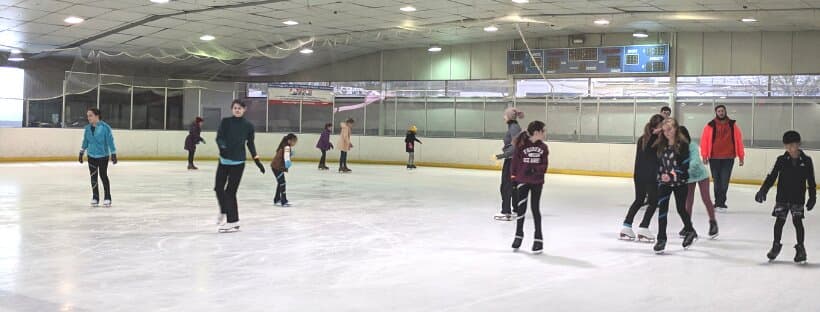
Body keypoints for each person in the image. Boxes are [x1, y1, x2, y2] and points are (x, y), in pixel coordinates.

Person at [755, 131, 815, 264]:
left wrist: (812, 197)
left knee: (797, 222)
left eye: (793, 145)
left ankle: (801, 248)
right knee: (779, 221)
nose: (790, 148)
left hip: (798, 197)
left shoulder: (806, 160)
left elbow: (811, 180)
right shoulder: (781, 160)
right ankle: (776, 246)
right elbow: (772, 176)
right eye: (787, 145)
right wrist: (763, 190)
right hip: (782, 197)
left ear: (798, 144)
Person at [214, 99, 266, 233]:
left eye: (240, 108)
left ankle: (233, 222)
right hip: (224, 161)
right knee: (218, 188)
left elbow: (250, 143)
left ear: (244, 110)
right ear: (232, 109)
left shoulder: (248, 126)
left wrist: (257, 160)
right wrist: (222, 147)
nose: (237, 110)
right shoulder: (226, 122)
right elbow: (219, 137)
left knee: (230, 192)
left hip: (238, 163)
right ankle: (224, 210)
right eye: (235, 108)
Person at [653, 118, 698, 254]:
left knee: (681, 209)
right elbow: (657, 162)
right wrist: (660, 175)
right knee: (662, 211)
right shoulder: (661, 144)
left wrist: (672, 176)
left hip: (680, 183)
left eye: (670, 129)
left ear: (676, 129)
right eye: (665, 130)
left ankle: (690, 230)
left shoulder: (683, 145)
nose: (667, 133)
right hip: (664, 183)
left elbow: (684, 166)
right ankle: (661, 239)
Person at [620, 114, 664, 242]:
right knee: (653, 202)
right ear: (657, 127)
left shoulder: (643, 138)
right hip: (650, 176)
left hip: (639, 175)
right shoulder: (655, 140)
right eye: (662, 126)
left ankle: (626, 226)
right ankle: (644, 227)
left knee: (639, 200)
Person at [510, 120, 549, 254]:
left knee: (535, 209)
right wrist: (514, 178)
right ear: (537, 132)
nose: (545, 133)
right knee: (521, 209)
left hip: (537, 182)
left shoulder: (543, 147)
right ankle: (518, 235)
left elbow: (544, 165)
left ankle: (538, 239)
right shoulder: (521, 145)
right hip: (523, 181)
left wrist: (535, 170)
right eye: (544, 131)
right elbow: (514, 162)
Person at [700, 105, 745, 213]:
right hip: (714, 157)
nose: (721, 113)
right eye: (719, 111)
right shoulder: (710, 126)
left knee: (724, 181)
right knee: (717, 181)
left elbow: (739, 141)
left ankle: (722, 202)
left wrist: (741, 156)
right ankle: (717, 202)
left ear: (725, 112)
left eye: (722, 111)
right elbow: (704, 141)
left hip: (728, 157)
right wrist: (704, 155)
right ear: (716, 112)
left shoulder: (733, 125)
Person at [679, 126, 719, 239]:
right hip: (688, 177)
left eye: (681, 135)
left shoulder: (692, 145)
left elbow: (695, 160)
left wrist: (684, 170)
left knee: (706, 198)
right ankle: (687, 225)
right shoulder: (677, 147)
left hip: (701, 175)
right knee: (688, 200)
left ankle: (713, 222)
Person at [79, 108, 118, 207]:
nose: (88, 118)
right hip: (91, 155)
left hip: (103, 156)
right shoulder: (87, 128)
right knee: (93, 177)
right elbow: (85, 141)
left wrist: (113, 153)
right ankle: (95, 197)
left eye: (90, 115)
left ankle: (107, 197)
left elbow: (110, 141)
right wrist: (81, 151)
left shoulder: (105, 127)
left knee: (103, 176)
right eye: (87, 116)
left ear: (97, 116)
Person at [494, 107, 524, 221]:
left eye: (504, 115)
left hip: (512, 161)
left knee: (506, 186)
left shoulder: (513, 128)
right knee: (513, 186)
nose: (503, 117)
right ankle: (516, 209)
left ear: (508, 117)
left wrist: (502, 155)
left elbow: (515, 146)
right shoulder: (514, 127)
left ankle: (506, 212)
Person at [271, 133, 298, 207]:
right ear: (289, 141)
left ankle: (277, 199)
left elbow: (283, 154)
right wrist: (288, 162)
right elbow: (286, 157)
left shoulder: (284, 144)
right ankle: (283, 201)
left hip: (275, 166)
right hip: (277, 167)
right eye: (294, 141)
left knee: (280, 182)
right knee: (282, 183)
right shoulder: (287, 147)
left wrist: (289, 155)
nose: (295, 143)